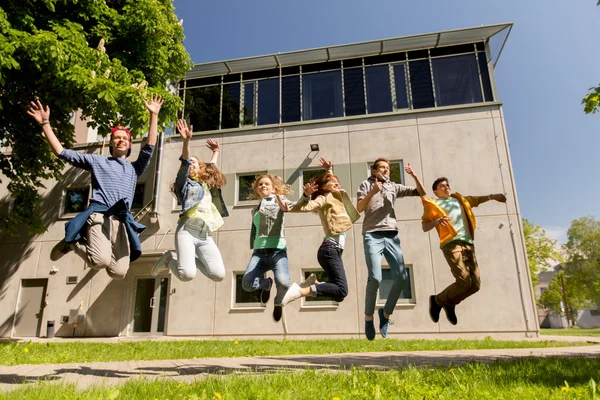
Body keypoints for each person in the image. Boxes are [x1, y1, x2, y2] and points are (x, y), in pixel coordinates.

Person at [27, 95, 164, 279]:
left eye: (125, 138)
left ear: (130, 144)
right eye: (116, 138)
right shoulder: (98, 161)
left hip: (122, 221)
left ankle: (78, 243)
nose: (121, 140)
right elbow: (62, 152)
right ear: (111, 144)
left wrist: (153, 115)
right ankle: (73, 242)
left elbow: (150, 147)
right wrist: (45, 124)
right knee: (100, 260)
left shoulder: (135, 168)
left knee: (119, 272)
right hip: (100, 215)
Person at [356, 158, 426, 340]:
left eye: (388, 168)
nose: (386, 170)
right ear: (374, 170)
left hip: (392, 235)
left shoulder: (393, 186)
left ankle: (385, 314)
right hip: (372, 234)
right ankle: (369, 317)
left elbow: (421, 192)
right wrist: (373, 191)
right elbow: (359, 208)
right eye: (383, 168)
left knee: (402, 277)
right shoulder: (365, 185)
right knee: (375, 278)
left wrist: (414, 175)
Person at [422, 176, 506, 325]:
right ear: (435, 191)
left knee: (475, 285)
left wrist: (493, 197)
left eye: (447, 185)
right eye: (442, 186)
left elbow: (477, 199)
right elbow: (425, 226)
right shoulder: (434, 205)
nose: (446, 187)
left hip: (468, 243)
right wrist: (436, 222)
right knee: (464, 281)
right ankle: (437, 300)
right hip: (451, 243)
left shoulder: (460, 200)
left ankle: (450, 302)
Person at [151, 119, 228, 283]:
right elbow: (184, 162)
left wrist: (216, 152)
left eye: (195, 163)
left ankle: (184, 258)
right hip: (187, 229)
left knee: (218, 275)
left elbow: (211, 167)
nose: (191, 164)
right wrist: (186, 142)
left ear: (200, 168)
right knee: (187, 274)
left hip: (205, 233)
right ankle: (169, 260)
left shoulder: (205, 184)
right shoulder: (183, 184)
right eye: (189, 163)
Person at [278, 159, 360, 307]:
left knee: (338, 295)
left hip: (334, 251)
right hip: (329, 249)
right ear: (323, 188)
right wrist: (303, 197)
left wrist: (329, 170)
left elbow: (331, 184)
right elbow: (307, 206)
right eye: (332, 182)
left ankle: (314, 283)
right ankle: (300, 291)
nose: (337, 184)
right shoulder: (323, 198)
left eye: (337, 182)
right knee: (342, 290)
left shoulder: (334, 195)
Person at [241, 173, 315, 322]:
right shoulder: (255, 209)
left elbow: (295, 206)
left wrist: (305, 195)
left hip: (277, 252)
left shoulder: (279, 200)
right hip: (259, 254)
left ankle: (278, 302)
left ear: (273, 188)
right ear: (257, 189)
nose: (263, 186)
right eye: (260, 184)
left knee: (283, 282)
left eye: (266, 184)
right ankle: (266, 284)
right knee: (247, 284)